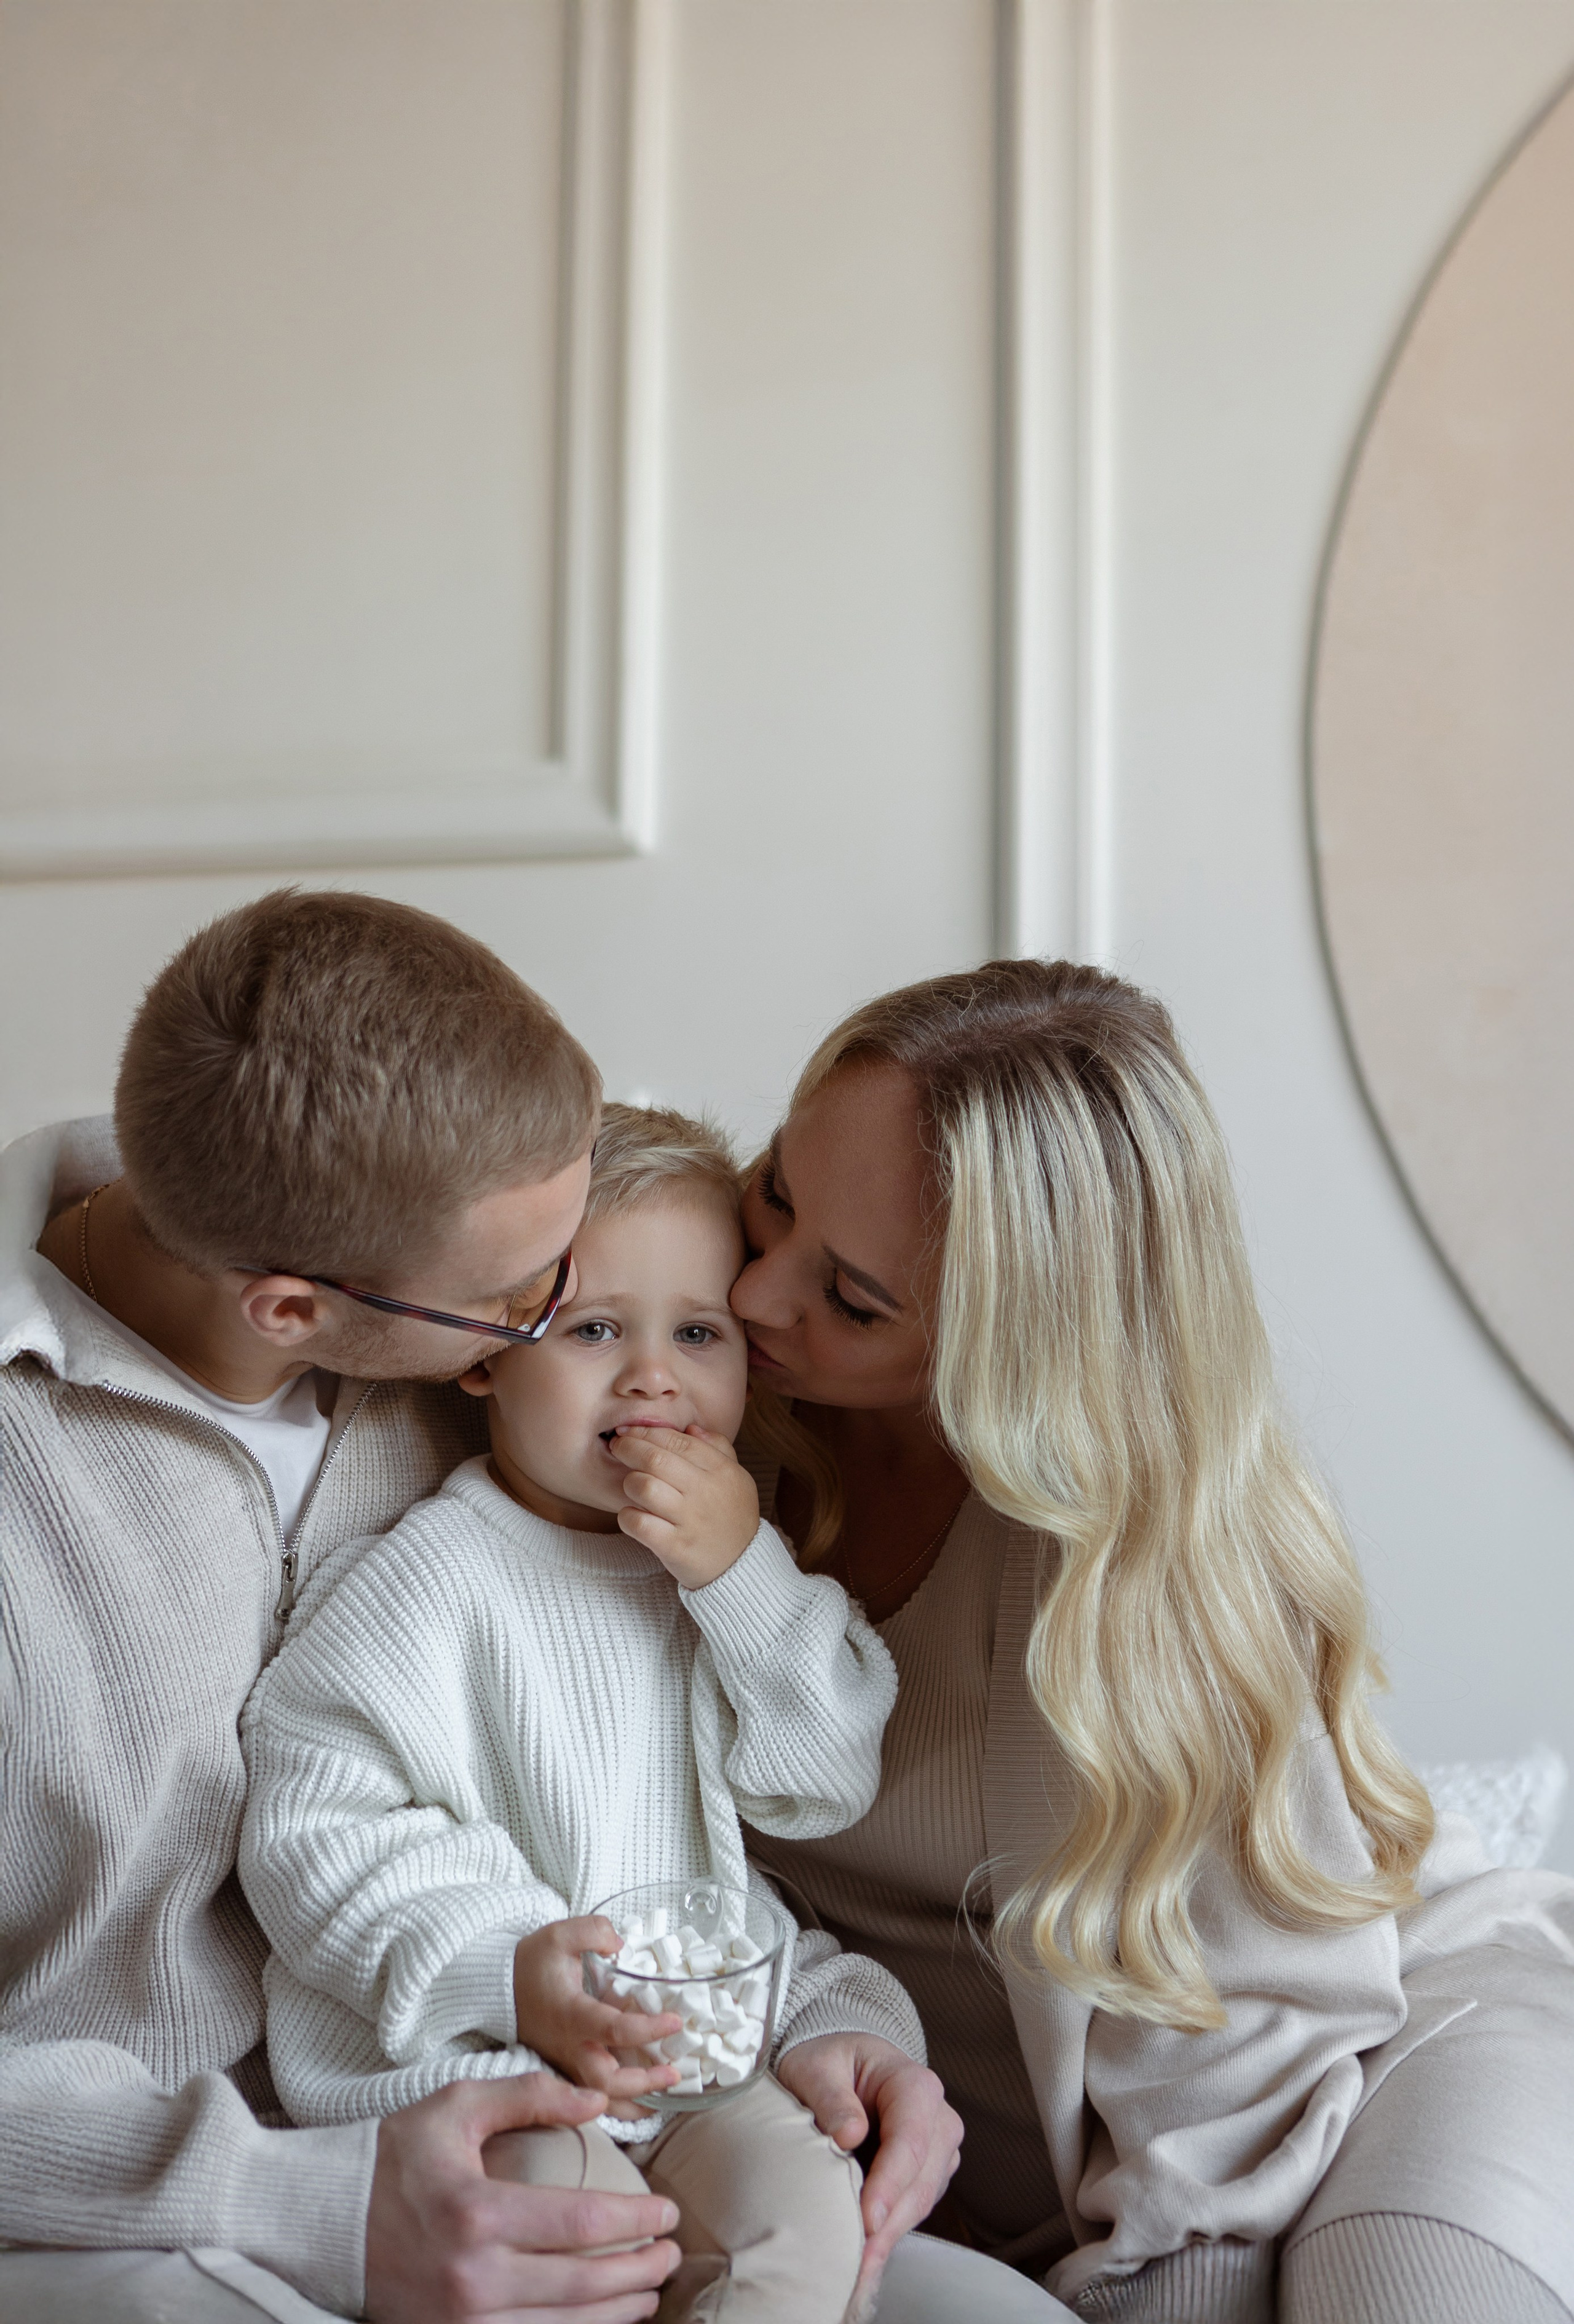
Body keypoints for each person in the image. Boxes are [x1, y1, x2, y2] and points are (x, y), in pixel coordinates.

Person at [0, 893, 961, 2324]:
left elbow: (688, 1822)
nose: (635, 1365)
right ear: (290, 1309)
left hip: (643, 2092)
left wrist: (834, 2017)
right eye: (542, 1306)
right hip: (160, 2206)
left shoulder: (470, 1322)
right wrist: (306, 2206)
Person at [732, 957, 1574, 2324]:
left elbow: (1220, 2129)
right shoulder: (699, 1400)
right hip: (1001, 2144)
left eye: (853, 1298)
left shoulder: (1149, 1574)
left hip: (1345, 2048)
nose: (760, 1297)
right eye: (773, 1189)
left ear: (1016, 1334)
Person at [238, 1105, 911, 2323]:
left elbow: (825, 1777)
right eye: (595, 1328)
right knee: (558, 2227)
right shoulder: (427, 1582)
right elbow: (311, 1828)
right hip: (483, 2065)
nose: (653, 1375)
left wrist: (739, 1575)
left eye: (697, 1332)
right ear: (488, 1348)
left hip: (697, 2069)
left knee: (807, 2225)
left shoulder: (715, 1579)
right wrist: (508, 1969)